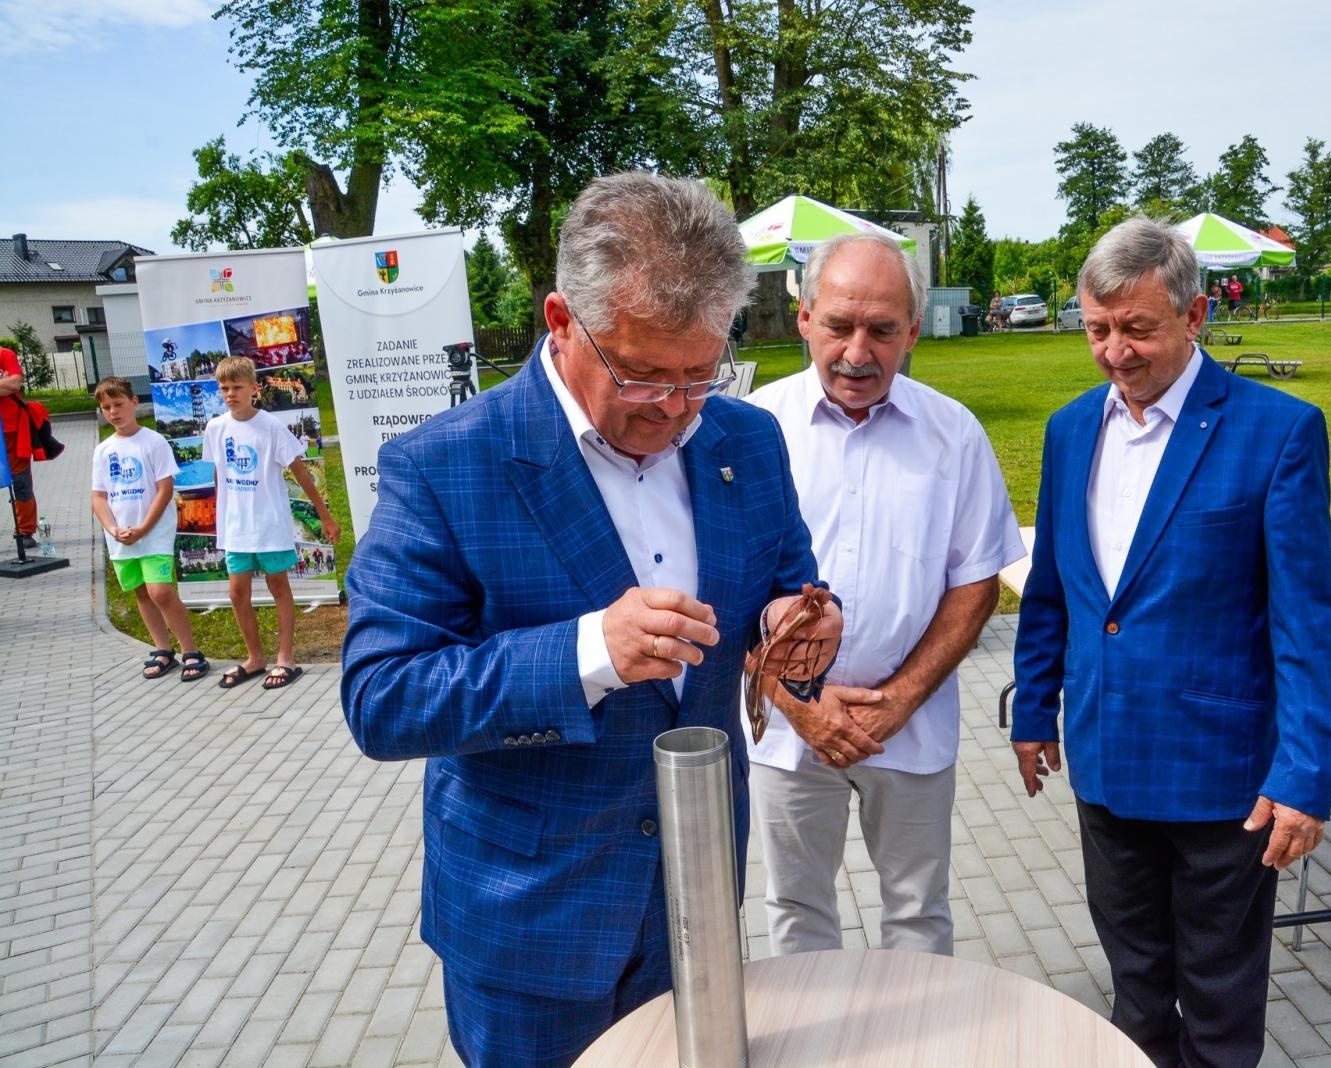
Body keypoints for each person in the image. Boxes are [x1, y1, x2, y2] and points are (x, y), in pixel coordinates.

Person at [340, 171, 843, 1068]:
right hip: (531, 922)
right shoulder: (444, 463)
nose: (677, 409)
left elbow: (785, 585)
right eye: (644, 375)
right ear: (561, 320)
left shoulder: (746, 440)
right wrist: (587, 652)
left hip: (694, 898)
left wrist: (797, 624)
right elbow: (382, 697)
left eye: (702, 374)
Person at [1009, 217, 1331, 1068]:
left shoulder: (1278, 431)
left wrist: (1304, 773)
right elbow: (1055, 586)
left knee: (1221, 999)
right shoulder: (1070, 429)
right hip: (1106, 759)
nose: (1115, 351)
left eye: (1138, 328)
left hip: (1222, 780)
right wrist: (1033, 707)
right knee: (1136, 986)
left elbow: (1305, 622)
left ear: (1195, 316)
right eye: (1097, 329)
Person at [744, 232, 1025, 957]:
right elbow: (717, 589)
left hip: (912, 725)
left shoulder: (954, 434)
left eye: (882, 330)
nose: (858, 353)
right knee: (798, 912)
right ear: (804, 317)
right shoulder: (747, 432)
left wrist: (900, 699)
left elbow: (976, 583)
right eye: (839, 325)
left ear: (914, 333)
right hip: (786, 731)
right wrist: (803, 708)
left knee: (918, 915)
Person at [203, 356, 340, 691]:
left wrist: (324, 514)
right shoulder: (216, 428)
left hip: (269, 526)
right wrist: (220, 519)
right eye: (224, 388)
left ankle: (285, 657)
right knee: (237, 594)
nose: (231, 394)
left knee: (279, 588)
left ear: (254, 388)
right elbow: (220, 474)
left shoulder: (271, 427)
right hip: (236, 529)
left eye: (237, 387)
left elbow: (301, 473)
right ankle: (254, 657)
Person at [91, 377, 209, 681]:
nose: (114, 412)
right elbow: (99, 496)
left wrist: (143, 528)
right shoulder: (103, 450)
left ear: (133, 403)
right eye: (107, 407)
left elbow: (165, 489)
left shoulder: (153, 442)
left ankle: (191, 651)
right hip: (120, 538)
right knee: (142, 592)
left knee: (161, 591)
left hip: (152, 532)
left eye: (119, 404)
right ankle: (162, 649)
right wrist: (113, 528)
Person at [0, 346, 38, 547]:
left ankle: (25, 531)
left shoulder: (5, 354)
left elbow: (14, 383)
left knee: (21, 480)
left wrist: (8, 385)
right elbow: (8, 385)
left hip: (13, 430)